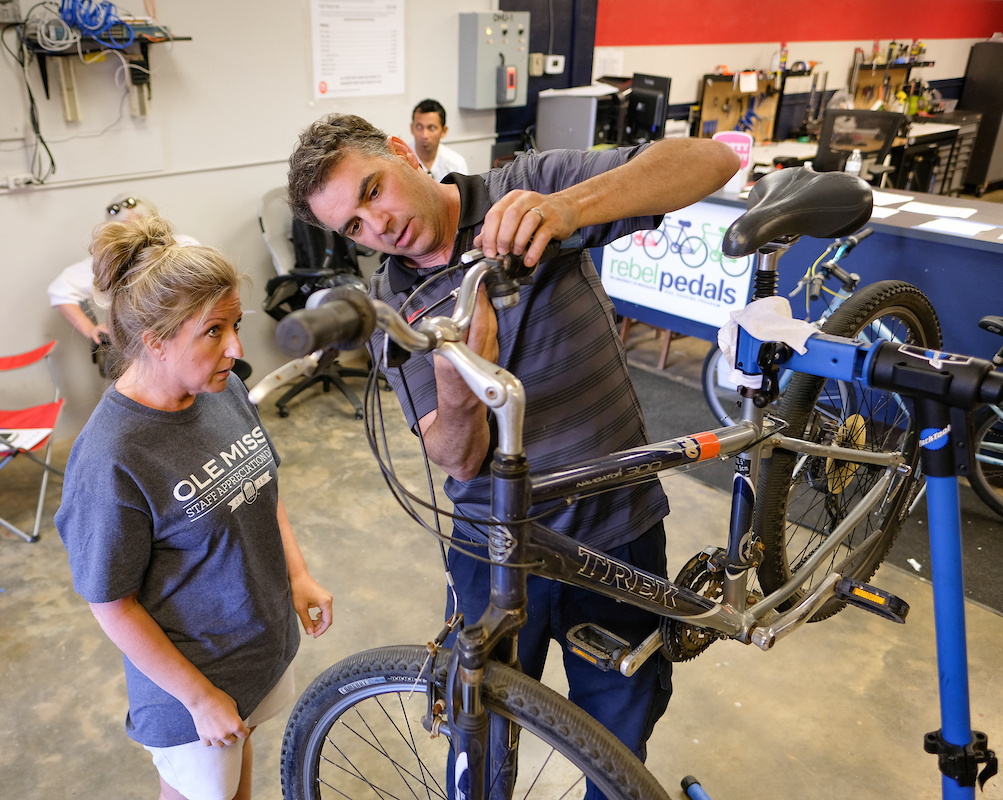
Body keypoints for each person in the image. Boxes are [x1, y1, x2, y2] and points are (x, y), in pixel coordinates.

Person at [285, 113, 737, 786]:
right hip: (491, 551)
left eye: (373, 190)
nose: (376, 226)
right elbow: (458, 458)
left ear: (406, 154)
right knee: (478, 738)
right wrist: (459, 384)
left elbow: (711, 162)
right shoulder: (395, 306)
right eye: (352, 225)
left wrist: (565, 209)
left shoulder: (526, 188)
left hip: (614, 529)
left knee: (619, 735)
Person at [55, 214, 333, 800]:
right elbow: (111, 601)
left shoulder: (221, 387)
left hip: (254, 648)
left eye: (236, 324)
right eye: (214, 331)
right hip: (190, 687)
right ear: (154, 341)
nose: (236, 347)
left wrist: (299, 575)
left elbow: (259, 487)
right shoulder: (112, 457)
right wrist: (201, 698)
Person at [47, 193, 200, 346]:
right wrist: (89, 329)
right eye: (129, 229)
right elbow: (60, 289)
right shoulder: (107, 261)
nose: (138, 236)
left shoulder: (185, 245)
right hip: (135, 344)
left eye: (142, 225)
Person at [410, 99, 468, 182]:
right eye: (419, 127)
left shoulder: (456, 164)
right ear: (412, 128)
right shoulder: (400, 160)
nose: (424, 135)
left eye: (431, 128)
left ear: (444, 131)